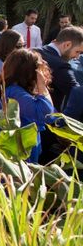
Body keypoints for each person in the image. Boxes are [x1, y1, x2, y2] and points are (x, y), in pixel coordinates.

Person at [0, 49, 55, 163]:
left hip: (12, 153)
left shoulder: (7, 89)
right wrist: (42, 86)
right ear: (30, 72)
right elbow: (47, 114)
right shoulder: (15, 92)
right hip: (17, 156)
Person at [36, 27, 83, 163]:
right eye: (77, 51)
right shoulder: (60, 65)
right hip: (48, 127)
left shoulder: (34, 52)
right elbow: (77, 93)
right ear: (67, 45)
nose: (77, 57)